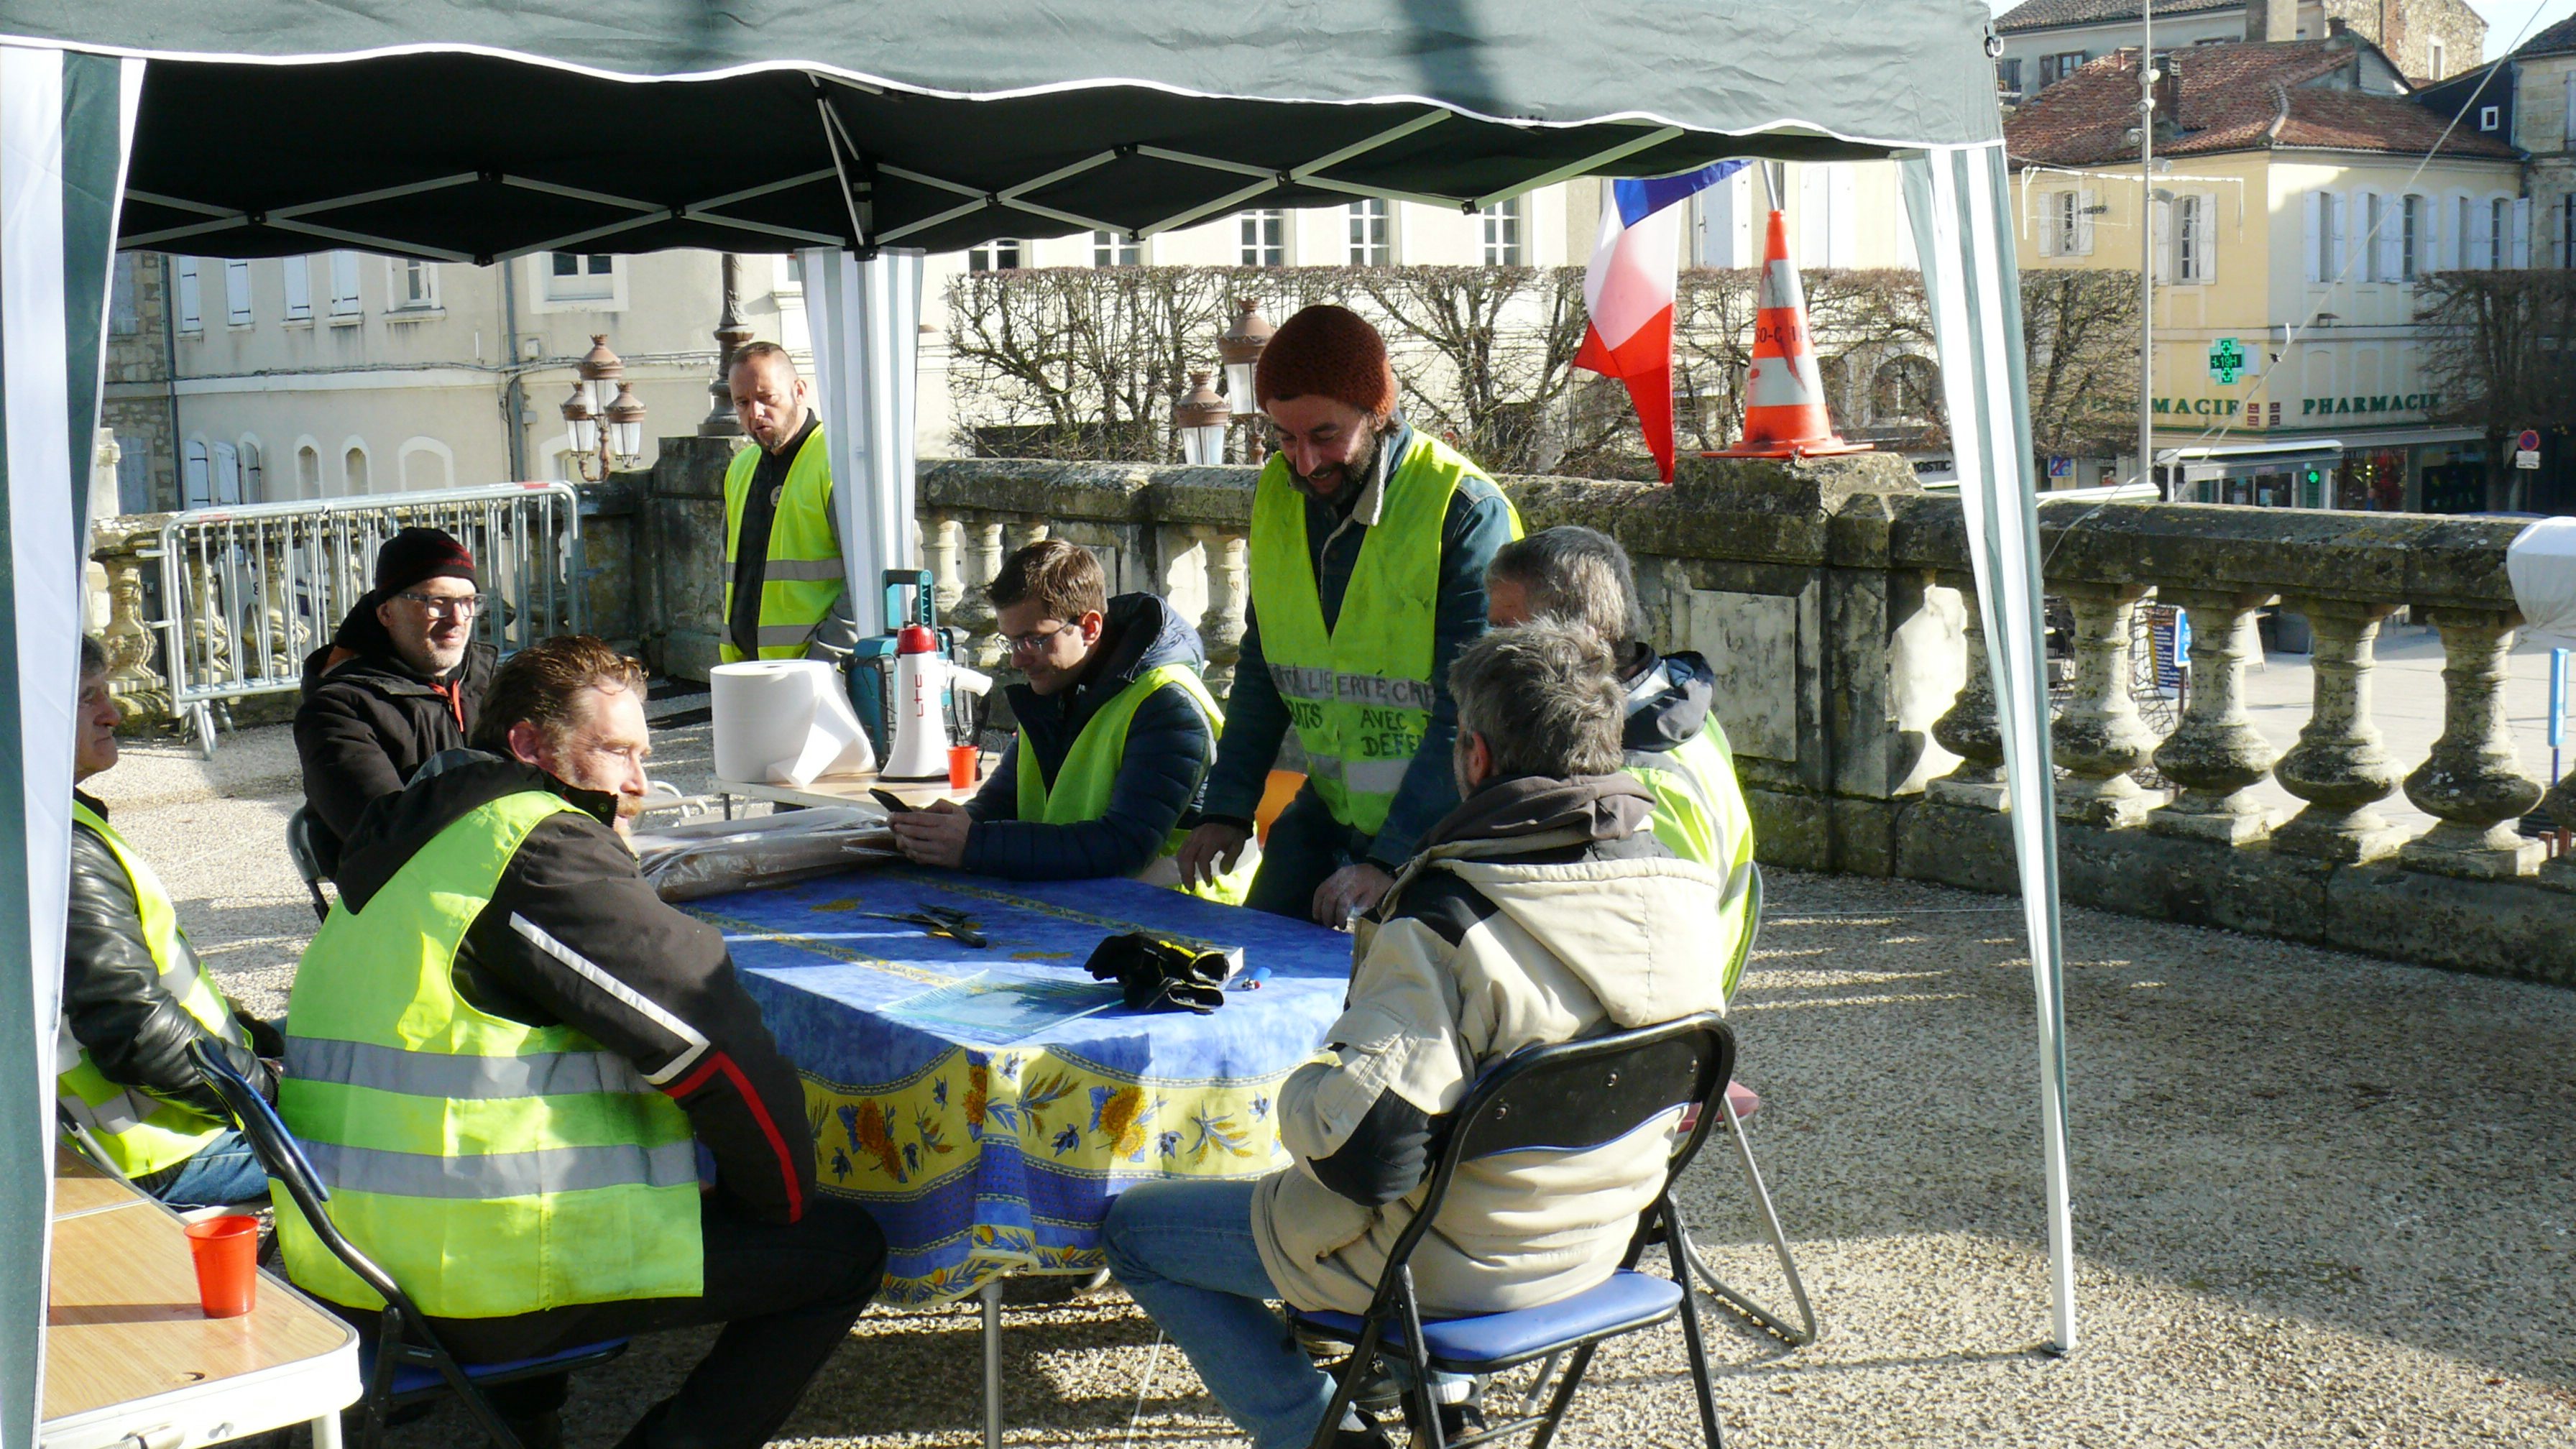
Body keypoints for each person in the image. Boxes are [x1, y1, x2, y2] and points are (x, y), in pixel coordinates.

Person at [1104, 622, 1729, 1449]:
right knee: (1444, 1156)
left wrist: (1298, 1095)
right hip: (1599, 1244)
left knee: (1134, 1232)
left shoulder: (1445, 921)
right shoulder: (1683, 894)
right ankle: (1434, 1406)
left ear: (1473, 756)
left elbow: (1368, 1159)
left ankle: (1321, 1437)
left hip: (1438, 1266)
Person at [274, 636, 883, 1449]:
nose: (637, 784)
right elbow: (713, 1047)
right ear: (528, 745)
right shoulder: (534, 846)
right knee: (840, 1248)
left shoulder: (416, 839)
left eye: (643, 754)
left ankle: (529, 1413)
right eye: (615, 752)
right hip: (474, 1276)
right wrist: (778, 1207)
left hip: (347, 1256)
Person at [1173, 305, 1521, 926]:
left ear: (1377, 413)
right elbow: (1263, 660)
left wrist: (1391, 860)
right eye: (1284, 438)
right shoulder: (1277, 492)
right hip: (1329, 813)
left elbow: (1472, 712)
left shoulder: (1464, 510)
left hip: (1443, 831)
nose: (1304, 463)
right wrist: (1226, 808)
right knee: (1253, 962)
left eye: (1325, 436)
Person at [888, 539, 1251, 898]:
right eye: (1010, 641)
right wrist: (939, 828)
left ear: (1091, 628)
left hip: (1186, 926)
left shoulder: (1167, 706)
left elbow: (1123, 846)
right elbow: (1001, 803)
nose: (1017, 660)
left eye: (1034, 640)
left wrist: (974, 844)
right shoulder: (1056, 685)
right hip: (1098, 906)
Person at [1486, 525, 1758, 996]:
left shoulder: (1640, 779)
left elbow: (1659, 965)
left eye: (1509, 633)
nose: (1490, 655)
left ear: (1578, 640)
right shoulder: (1674, 711)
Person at [61, 636, 277, 1207]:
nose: (113, 714)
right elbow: (131, 1027)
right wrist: (264, 1091)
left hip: (144, 1134)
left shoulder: (56, 823)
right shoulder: (62, 849)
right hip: (155, 1152)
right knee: (379, 1143)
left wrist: (261, 1043)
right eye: (87, 698)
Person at [294, 525, 497, 878]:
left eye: (468, 602)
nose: (457, 620)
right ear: (386, 613)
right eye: (437, 603)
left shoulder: (489, 681)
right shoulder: (339, 710)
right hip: (415, 897)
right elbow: (387, 838)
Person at [722, 341, 861, 663]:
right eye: (741, 403)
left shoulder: (836, 463)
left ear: (799, 391)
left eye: (766, 398)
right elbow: (729, 572)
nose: (754, 414)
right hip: (748, 666)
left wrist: (824, 655)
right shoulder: (740, 468)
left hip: (816, 671)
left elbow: (866, 582)